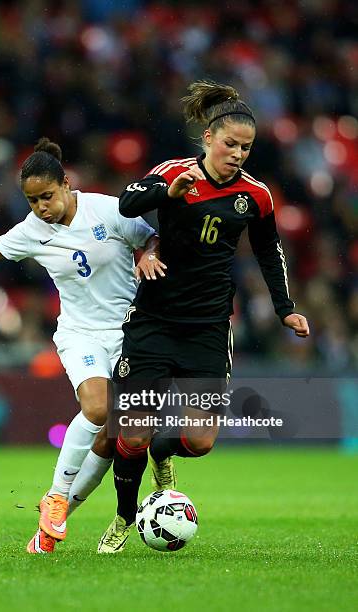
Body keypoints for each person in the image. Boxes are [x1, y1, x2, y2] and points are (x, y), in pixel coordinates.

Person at [0, 137, 168, 554]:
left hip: (130, 333)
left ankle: (51, 527)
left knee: (110, 440)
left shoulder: (108, 210)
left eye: (46, 196)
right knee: (96, 410)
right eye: (32, 201)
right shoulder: (33, 231)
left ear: (66, 184)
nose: (41, 207)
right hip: (80, 334)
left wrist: (147, 254)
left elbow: (152, 237)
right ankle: (57, 497)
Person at [98, 80, 310, 553]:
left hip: (209, 329)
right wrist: (167, 193)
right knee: (129, 433)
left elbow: (268, 250)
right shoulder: (174, 171)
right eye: (231, 144)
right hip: (153, 320)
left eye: (246, 147)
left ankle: (163, 450)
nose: (238, 153)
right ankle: (123, 518)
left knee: (199, 440)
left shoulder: (256, 196)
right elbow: (126, 204)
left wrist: (285, 309)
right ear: (209, 138)